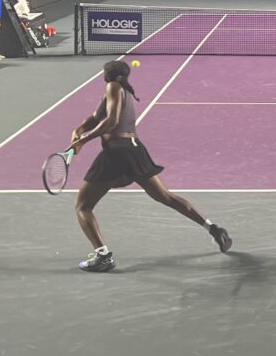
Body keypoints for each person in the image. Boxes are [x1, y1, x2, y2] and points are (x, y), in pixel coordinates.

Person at [69, 60, 232, 271]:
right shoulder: (121, 91)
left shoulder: (113, 87)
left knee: (83, 206)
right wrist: (79, 129)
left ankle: (103, 256)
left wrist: (83, 140)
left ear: (106, 75)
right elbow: (95, 117)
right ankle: (213, 229)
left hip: (116, 153)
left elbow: (111, 121)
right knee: (166, 197)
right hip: (135, 149)